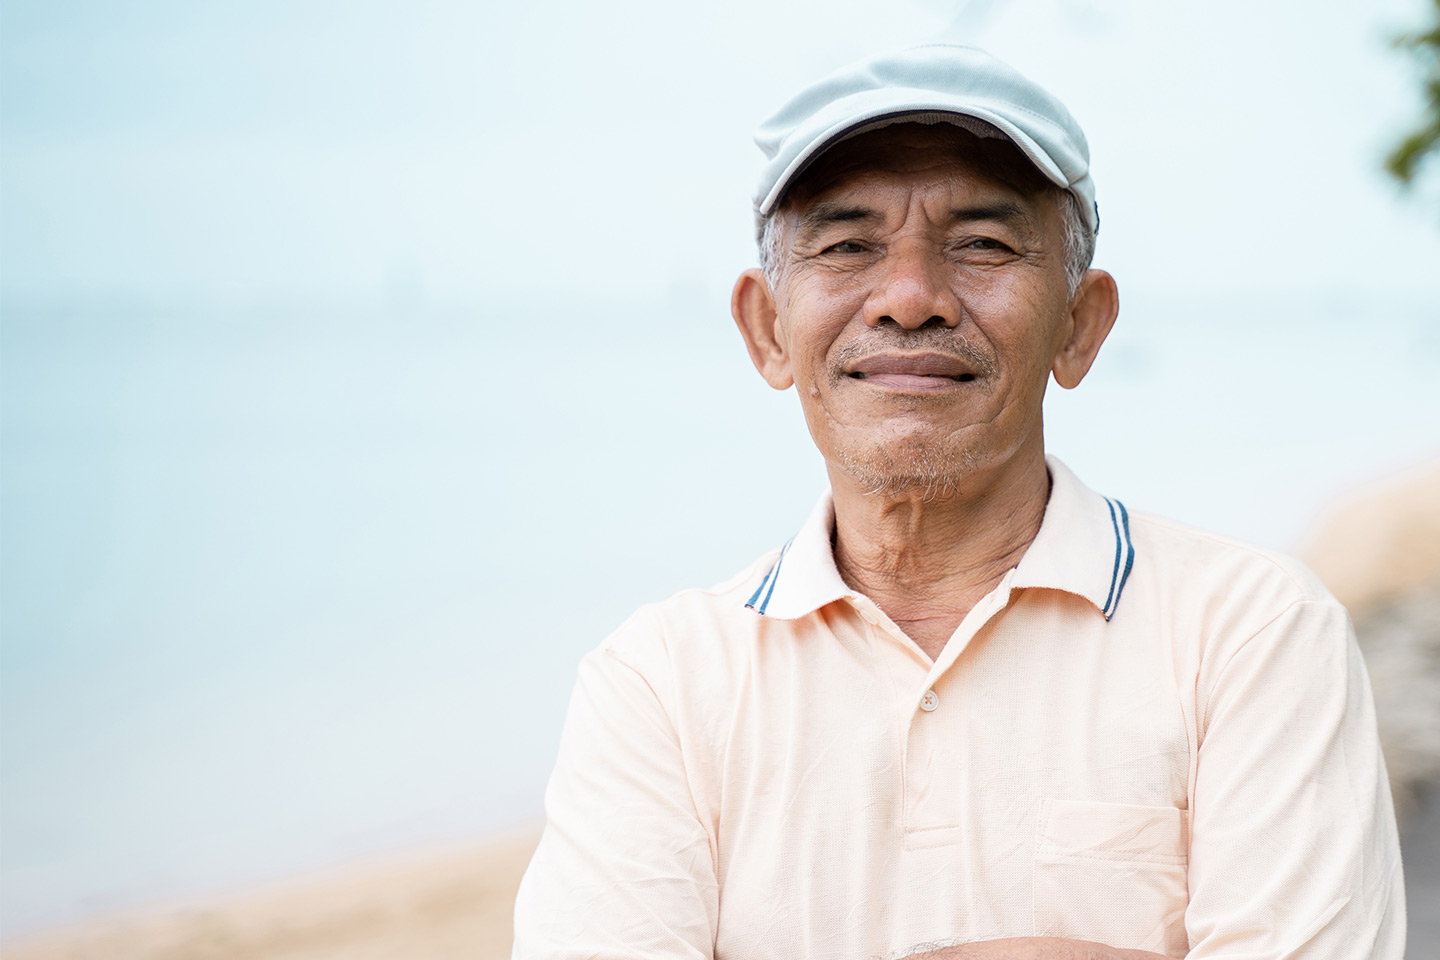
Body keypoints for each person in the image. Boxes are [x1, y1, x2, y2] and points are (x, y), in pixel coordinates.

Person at [511, 44, 1406, 960]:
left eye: (981, 243)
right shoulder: (662, 681)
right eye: (847, 244)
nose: (909, 298)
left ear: (1080, 325)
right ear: (767, 330)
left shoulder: (1249, 633)